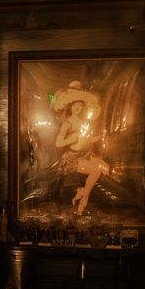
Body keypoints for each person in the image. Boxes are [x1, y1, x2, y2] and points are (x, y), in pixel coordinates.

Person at [53, 80, 110, 215]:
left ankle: (82, 195)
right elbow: (58, 143)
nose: (77, 109)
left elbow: (87, 140)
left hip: (85, 155)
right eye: (75, 106)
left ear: (83, 107)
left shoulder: (84, 123)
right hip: (72, 158)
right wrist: (72, 138)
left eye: (80, 106)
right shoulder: (67, 124)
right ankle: (83, 200)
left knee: (103, 168)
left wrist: (98, 137)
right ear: (70, 108)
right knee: (97, 170)